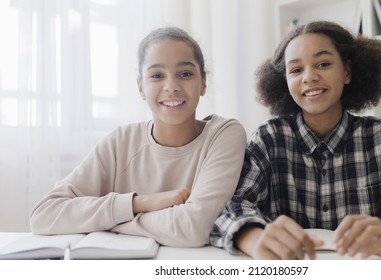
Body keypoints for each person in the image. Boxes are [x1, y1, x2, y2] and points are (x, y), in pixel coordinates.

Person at [210, 21, 381, 259]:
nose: (309, 77)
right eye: (296, 70)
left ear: (348, 72)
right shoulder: (269, 139)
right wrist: (256, 240)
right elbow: (231, 209)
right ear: (284, 82)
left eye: (322, 64)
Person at [29, 26, 247, 247]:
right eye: (157, 75)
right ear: (141, 87)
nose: (171, 86)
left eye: (185, 74)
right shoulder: (120, 141)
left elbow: (193, 229)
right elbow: (44, 215)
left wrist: (109, 222)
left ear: (203, 83)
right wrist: (138, 203)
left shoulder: (224, 134)